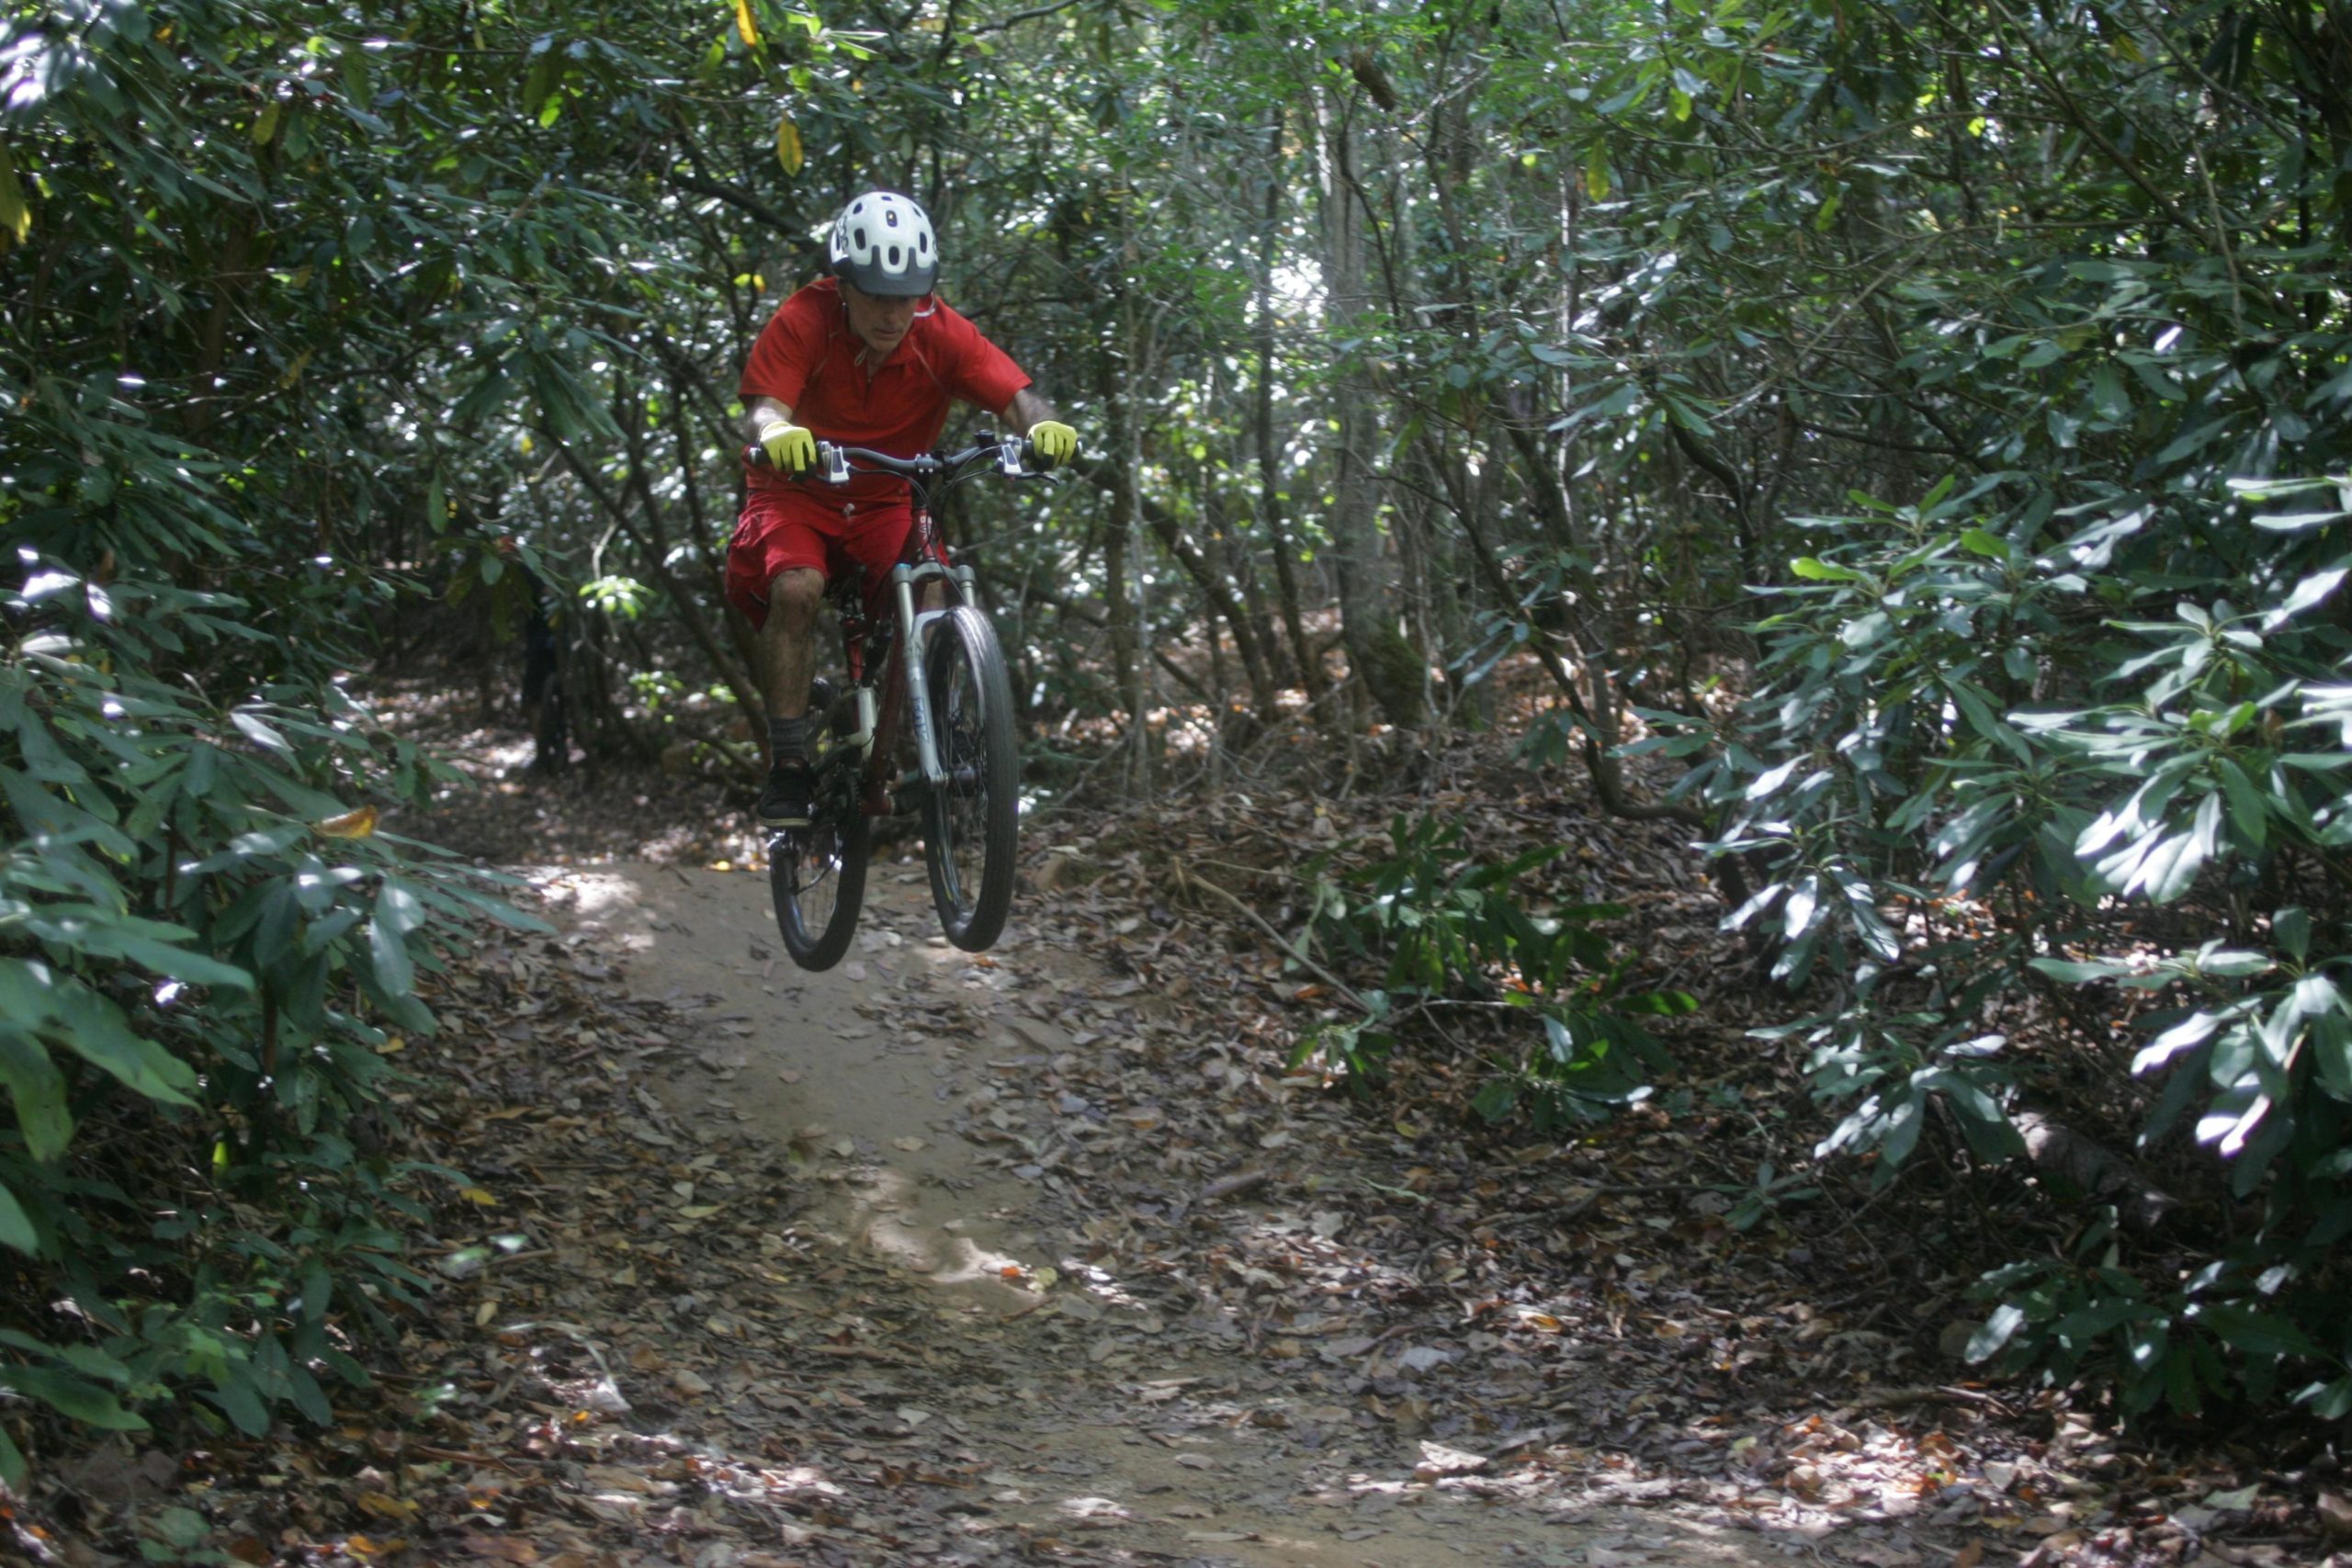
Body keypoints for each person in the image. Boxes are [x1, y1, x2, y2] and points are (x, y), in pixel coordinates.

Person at [726, 189, 1077, 829]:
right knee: (797, 587)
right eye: (879, 295)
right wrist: (777, 434)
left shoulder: (940, 331)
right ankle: (789, 765)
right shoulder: (805, 319)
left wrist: (1042, 429)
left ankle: (933, 732)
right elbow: (762, 409)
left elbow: (1020, 396)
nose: (895, 312)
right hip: (797, 491)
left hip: (887, 495)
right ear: (844, 284)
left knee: (934, 594)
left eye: (909, 294)